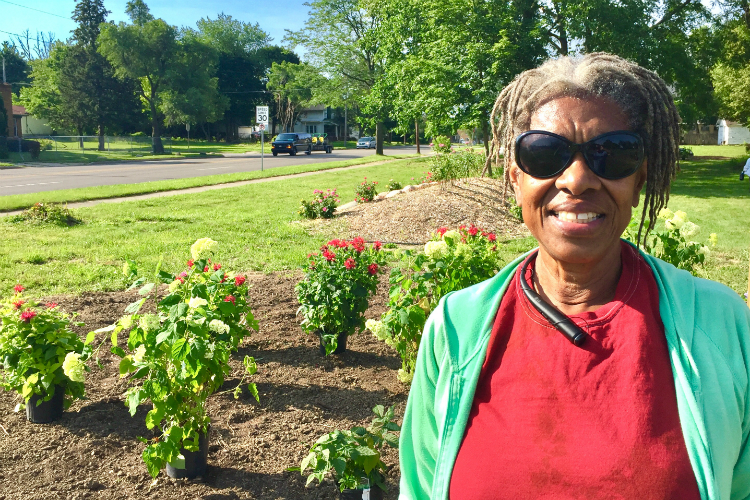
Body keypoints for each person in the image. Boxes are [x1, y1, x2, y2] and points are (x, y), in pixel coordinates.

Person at [398, 53, 750, 500]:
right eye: (545, 153)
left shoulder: (721, 326)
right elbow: (420, 486)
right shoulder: (456, 329)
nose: (577, 179)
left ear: (641, 177)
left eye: (614, 153)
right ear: (515, 177)